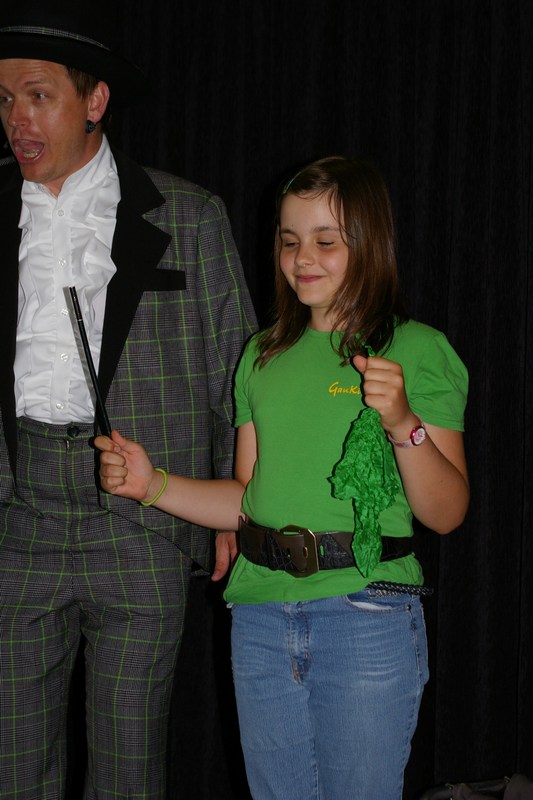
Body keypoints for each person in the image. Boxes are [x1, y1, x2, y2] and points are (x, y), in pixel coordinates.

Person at [97, 156, 470, 800]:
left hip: (365, 612)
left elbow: (447, 512)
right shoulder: (261, 355)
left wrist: (404, 424)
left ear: (370, 244)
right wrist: (150, 483)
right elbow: (247, 501)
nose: (303, 259)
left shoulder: (417, 349)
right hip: (262, 618)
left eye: (327, 241)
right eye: (290, 241)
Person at [0, 4, 256, 798]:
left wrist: (234, 507)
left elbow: (236, 376)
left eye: (38, 95)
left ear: (95, 101)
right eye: (4, 99)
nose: (17, 118)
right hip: (15, 517)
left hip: (143, 516)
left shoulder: (189, 215)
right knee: (12, 769)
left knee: (128, 772)